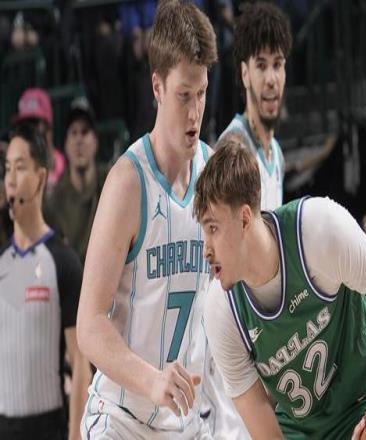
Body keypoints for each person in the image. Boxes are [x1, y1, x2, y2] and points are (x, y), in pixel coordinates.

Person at [193, 139, 366, 439]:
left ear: (244, 219)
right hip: (302, 433)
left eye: (213, 229)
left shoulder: (317, 230)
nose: (206, 249)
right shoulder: (221, 311)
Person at [76, 2, 224, 438]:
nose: (195, 112)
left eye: (202, 93)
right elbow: (89, 324)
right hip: (120, 418)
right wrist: (151, 380)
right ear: (157, 86)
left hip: (185, 423)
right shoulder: (128, 182)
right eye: (184, 95)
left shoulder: (213, 175)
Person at [0, 124, 91, 440]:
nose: (11, 179)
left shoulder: (63, 263)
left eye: (20, 167)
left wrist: (75, 435)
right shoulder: (2, 263)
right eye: (7, 169)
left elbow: (81, 363)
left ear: (40, 178)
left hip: (48, 428)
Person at [218, 1, 291, 210]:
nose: (271, 79)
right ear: (245, 74)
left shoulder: (277, 155)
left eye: (277, 65)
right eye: (261, 65)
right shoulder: (233, 151)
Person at [46, 97, 108, 263]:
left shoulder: (111, 185)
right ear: (66, 144)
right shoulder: (55, 202)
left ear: (95, 142)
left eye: (85, 132)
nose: (79, 140)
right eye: (73, 133)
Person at [12, 88, 66, 194]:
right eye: (22, 125)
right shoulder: (16, 174)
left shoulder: (67, 168)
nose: (28, 130)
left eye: (33, 123)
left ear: (48, 126)